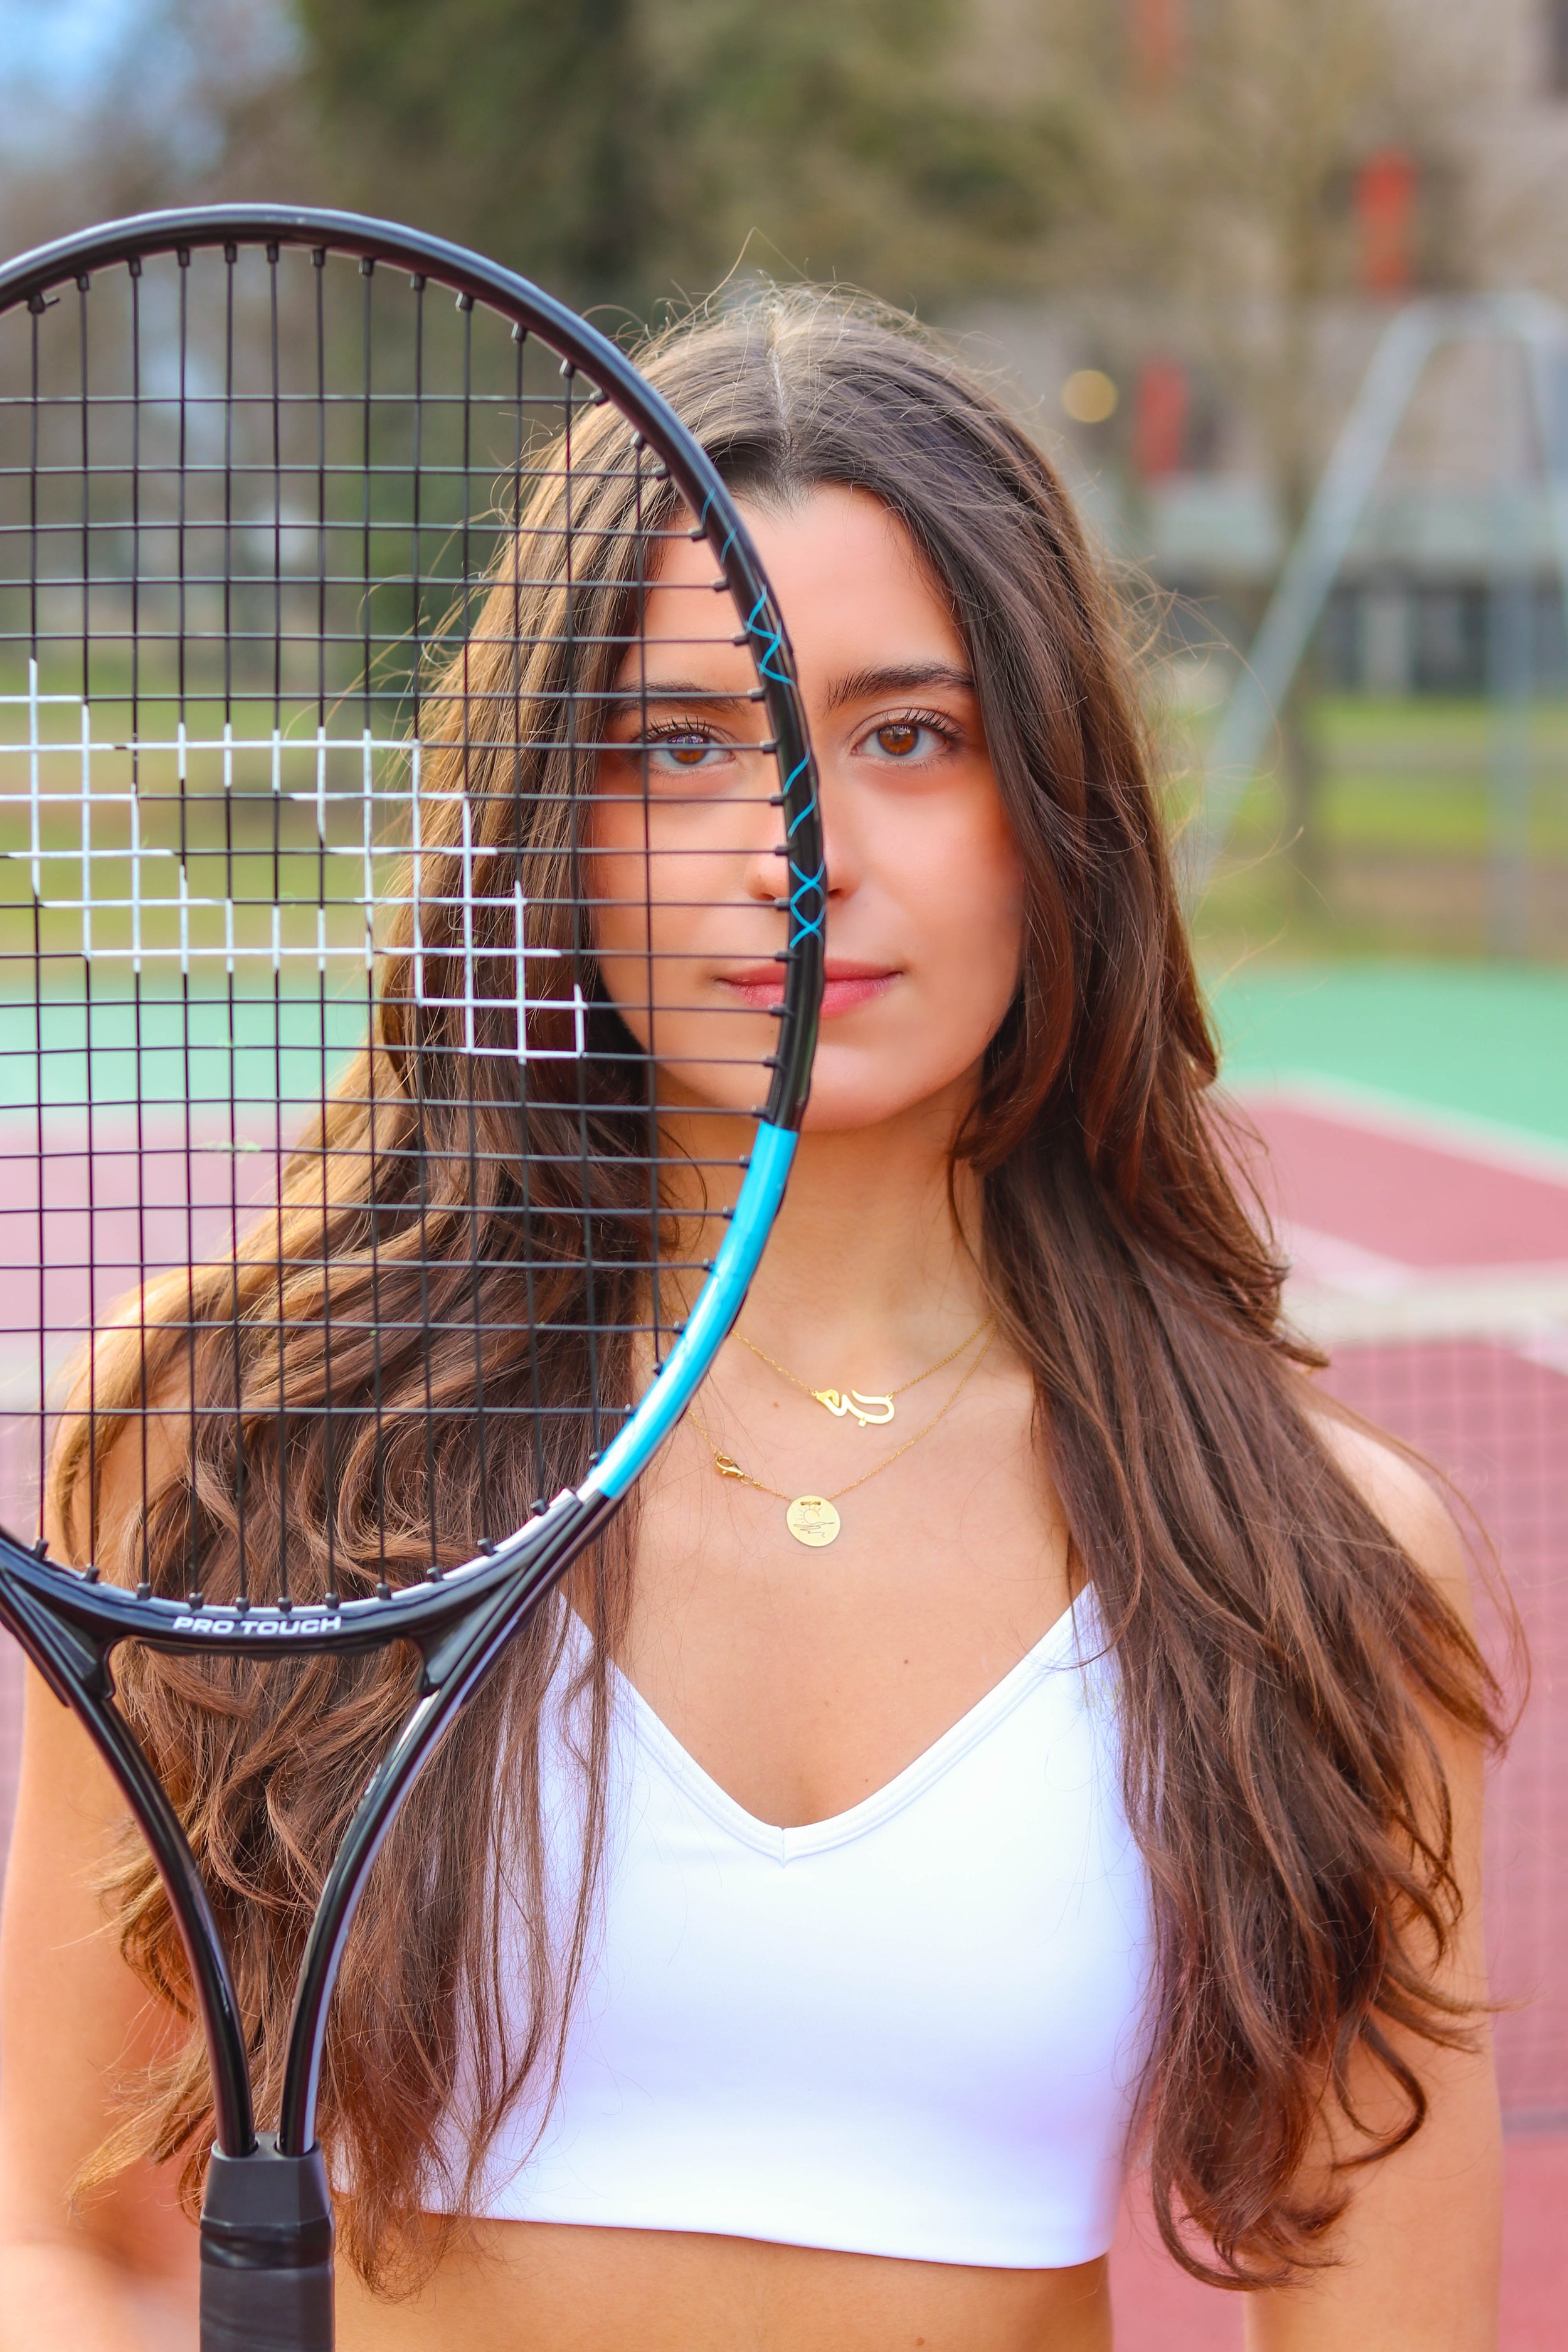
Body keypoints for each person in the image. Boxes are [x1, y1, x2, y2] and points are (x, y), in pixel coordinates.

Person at [0, 290, 1501, 2352]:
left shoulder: (1316, 1563)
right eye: (682, 741)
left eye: (907, 735)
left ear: (1050, 807)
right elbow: (52, 2240)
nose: (798, 862)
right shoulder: (233, 1435)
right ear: (553, 816)